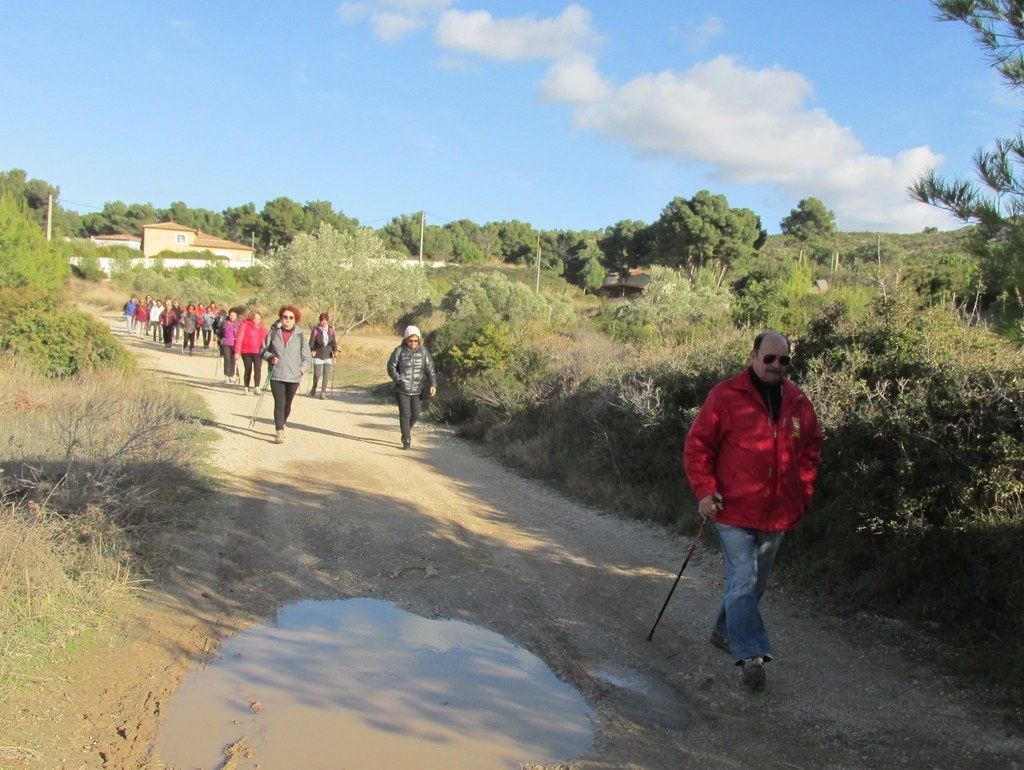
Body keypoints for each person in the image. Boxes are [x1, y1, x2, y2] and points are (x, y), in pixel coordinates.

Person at [682, 330, 822, 692]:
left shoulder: (797, 402)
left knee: (755, 584)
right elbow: (698, 447)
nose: (777, 366)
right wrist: (705, 490)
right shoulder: (726, 396)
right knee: (743, 578)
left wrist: (803, 492)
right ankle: (751, 657)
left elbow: (810, 451)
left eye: (784, 360)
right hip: (731, 510)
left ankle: (722, 631)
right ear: (754, 355)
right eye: (770, 358)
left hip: (776, 514)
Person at [261, 306, 311, 443]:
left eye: (290, 318)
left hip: (294, 377)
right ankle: (279, 430)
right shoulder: (273, 333)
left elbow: (307, 357)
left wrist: (301, 370)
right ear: (281, 318)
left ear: (295, 319)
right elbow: (262, 350)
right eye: (285, 317)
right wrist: (270, 357)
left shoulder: (300, 336)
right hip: (276, 375)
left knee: (287, 404)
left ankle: (282, 423)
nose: (287, 320)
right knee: (279, 403)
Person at [386, 325, 437, 450]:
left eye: (415, 341)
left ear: (419, 340)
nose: (413, 343)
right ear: (405, 340)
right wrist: (399, 379)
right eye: (410, 340)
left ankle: (405, 430)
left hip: (417, 389)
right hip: (402, 388)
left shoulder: (424, 351)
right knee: (405, 413)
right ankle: (406, 439)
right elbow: (391, 366)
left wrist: (433, 384)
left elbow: (430, 368)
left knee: (415, 414)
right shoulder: (399, 350)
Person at [234, 310, 268, 394]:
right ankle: (246, 387)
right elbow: (239, 338)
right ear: (252, 318)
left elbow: (265, 338)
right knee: (248, 369)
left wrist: (266, 351)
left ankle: (257, 387)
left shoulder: (262, 326)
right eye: (256, 319)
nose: (258, 320)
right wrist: (237, 352)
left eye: (259, 319)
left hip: (258, 351)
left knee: (258, 369)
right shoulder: (245, 324)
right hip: (246, 351)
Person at [308, 312, 338, 399]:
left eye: (325, 322)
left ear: (328, 321)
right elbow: (311, 343)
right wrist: (312, 350)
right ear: (320, 321)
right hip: (318, 354)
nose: (324, 324)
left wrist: (335, 351)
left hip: (328, 354)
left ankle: (323, 393)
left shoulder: (331, 330)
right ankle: (314, 386)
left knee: (326, 374)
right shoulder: (315, 330)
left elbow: (333, 342)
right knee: (317, 374)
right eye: (322, 322)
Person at [220, 309, 240, 383]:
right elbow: (220, 332)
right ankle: (226, 375)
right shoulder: (225, 323)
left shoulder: (239, 324)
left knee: (233, 360)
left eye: (234, 315)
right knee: (227, 359)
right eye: (231, 315)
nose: (232, 317)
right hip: (226, 343)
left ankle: (231, 375)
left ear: (236, 316)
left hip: (235, 344)